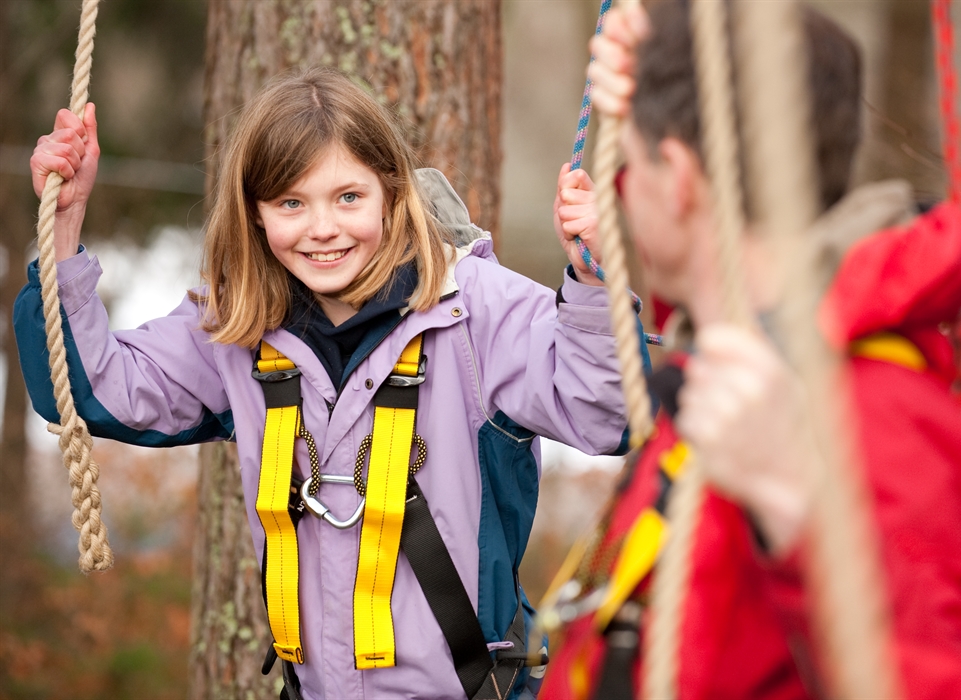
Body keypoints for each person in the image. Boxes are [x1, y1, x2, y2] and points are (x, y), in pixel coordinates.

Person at [16, 66, 629, 700]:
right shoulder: (237, 325)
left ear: (391, 191)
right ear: (256, 214)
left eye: (348, 198)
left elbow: (606, 412)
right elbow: (90, 390)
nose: (322, 228)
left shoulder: (479, 312)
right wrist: (63, 227)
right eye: (291, 203)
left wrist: (592, 282)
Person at [540, 2, 961, 699]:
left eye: (630, 165)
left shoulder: (878, 423)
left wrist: (799, 512)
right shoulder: (732, 362)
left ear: (678, 180)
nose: (621, 192)